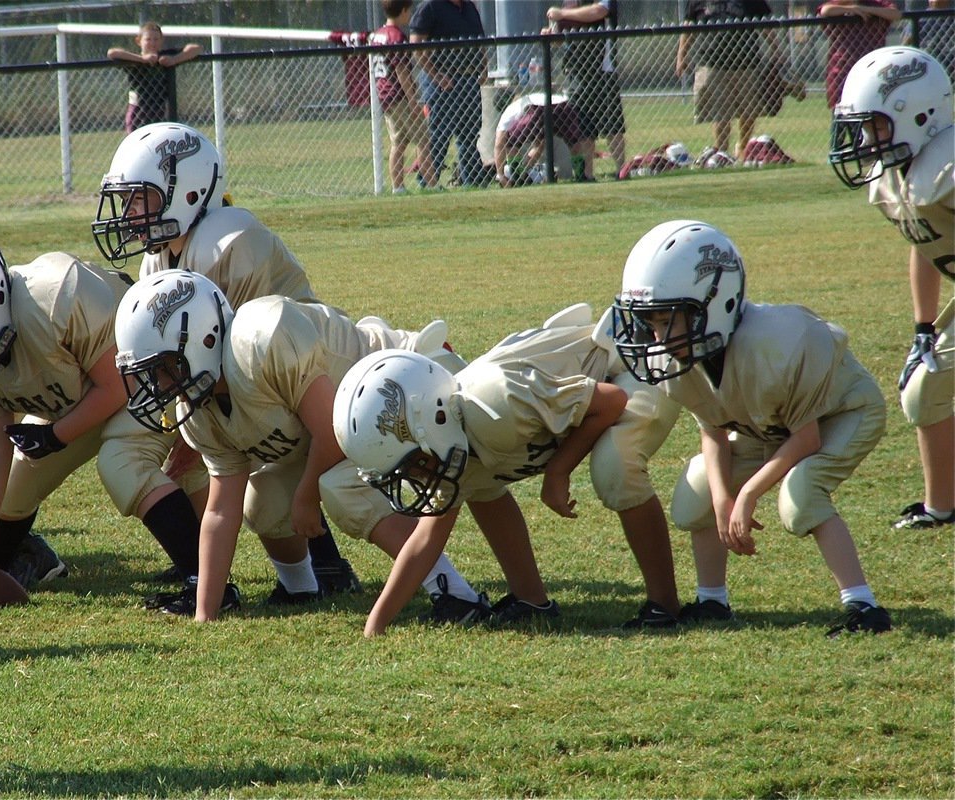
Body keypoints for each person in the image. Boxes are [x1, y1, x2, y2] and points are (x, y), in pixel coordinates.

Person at [113, 269, 488, 622]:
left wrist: (306, 497)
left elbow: (331, 434)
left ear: (204, 339)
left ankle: (454, 593)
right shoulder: (199, 408)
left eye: (162, 368)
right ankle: (302, 588)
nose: (158, 386)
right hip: (342, 430)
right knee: (262, 502)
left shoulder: (261, 338)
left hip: (410, 390)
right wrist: (204, 613)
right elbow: (221, 511)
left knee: (341, 487)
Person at [93, 121, 365, 597]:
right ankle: (215, 568)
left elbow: (238, 357)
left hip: (298, 372)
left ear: (188, 190)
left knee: (267, 452)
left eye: (141, 198)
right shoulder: (159, 259)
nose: (131, 213)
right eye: (128, 200)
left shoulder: (230, 242)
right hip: (239, 380)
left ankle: (325, 563)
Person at [0, 229, 217, 613]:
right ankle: (1, 567)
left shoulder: (54, 298)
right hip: (82, 396)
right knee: (16, 488)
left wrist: (56, 434)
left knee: (123, 464)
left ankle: (205, 583)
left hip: (147, 374)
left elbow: (116, 386)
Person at [613, 220, 893, 636]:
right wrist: (723, 498)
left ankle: (864, 606)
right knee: (698, 492)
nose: (657, 336)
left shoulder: (775, 344)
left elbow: (807, 437)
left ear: (713, 304)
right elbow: (713, 431)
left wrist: (747, 494)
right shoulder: (680, 357)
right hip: (768, 426)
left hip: (841, 413)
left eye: (668, 320)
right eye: (650, 322)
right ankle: (712, 601)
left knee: (801, 494)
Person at [337, 303, 686, 635]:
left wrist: (558, 472)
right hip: (605, 389)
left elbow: (610, 402)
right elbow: (424, 541)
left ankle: (664, 604)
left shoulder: (496, 405)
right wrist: (376, 625)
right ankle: (531, 598)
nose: (416, 479)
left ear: (434, 421)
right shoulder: (453, 434)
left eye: (414, 466)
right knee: (480, 484)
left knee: (614, 467)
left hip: (633, 366)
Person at [829, 45, 954, 530]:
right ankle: (941, 506)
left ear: (919, 113)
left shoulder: (946, 166)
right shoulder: (898, 176)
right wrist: (924, 327)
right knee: (924, 392)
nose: (865, 139)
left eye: (875, 125)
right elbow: (924, 241)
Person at [676, 0, 786, 157]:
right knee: (720, 113)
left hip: (746, 61)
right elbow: (689, 25)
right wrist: (681, 55)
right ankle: (722, 153)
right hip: (712, 62)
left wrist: (776, 49)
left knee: (749, 111)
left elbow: (764, 23)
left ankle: (742, 147)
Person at [544, 0, 628, 181]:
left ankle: (622, 171)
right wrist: (551, 35)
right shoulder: (569, 3)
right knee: (583, 127)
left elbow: (599, 11)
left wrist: (562, 14)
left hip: (602, 71)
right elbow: (561, 38)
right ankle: (586, 174)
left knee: (612, 125)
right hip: (577, 73)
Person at [410, 0, 490, 187]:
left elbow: (480, 41)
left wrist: (484, 66)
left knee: (469, 134)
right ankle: (427, 183)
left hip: (469, 79)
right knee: (438, 135)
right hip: (442, 83)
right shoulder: (430, 7)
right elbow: (416, 45)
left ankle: (472, 182)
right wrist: (436, 75)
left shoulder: (469, 7)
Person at [371, 0, 439, 193]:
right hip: (400, 96)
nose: (410, 15)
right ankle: (432, 186)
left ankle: (398, 187)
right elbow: (402, 72)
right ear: (403, 11)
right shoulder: (396, 36)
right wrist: (413, 101)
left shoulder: (378, 35)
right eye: (409, 11)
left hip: (385, 97)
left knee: (399, 142)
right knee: (423, 140)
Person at [108, 21, 202, 133]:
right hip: (138, 113)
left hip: (161, 112)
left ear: (161, 40)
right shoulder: (133, 60)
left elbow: (196, 48)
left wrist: (174, 60)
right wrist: (142, 59)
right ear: (138, 41)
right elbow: (112, 53)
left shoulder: (165, 56)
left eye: (156, 39)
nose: (152, 43)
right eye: (148, 39)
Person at [817, 0, 901, 110]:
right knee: (841, 108)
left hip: (873, 67)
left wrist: (866, 10)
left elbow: (895, 14)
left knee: (872, 107)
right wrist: (852, 8)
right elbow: (825, 10)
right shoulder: (839, 3)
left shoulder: (878, 3)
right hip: (843, 67)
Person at [493, 91, 584, 186]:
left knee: (510, 143)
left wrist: (500, 175)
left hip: (538, 108)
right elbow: (540, 144)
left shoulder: (508, 111)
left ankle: (518, 177)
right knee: (573, 143)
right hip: (565, 104)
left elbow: (499, 144)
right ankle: (581, 175)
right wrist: (527, 165)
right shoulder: (528, 98)